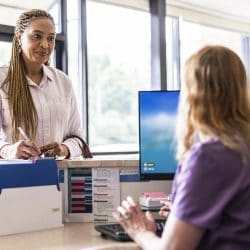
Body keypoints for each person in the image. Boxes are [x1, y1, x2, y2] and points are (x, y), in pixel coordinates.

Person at [113, 45, 250, 249]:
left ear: (193, 96)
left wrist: (140, 232)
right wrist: (183, 212)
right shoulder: (242, 146)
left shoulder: (209, 156)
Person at [0, 9, 92, 159]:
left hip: (58, 178)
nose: (45, 44)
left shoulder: (63, 82)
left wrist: (64, 149)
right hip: (14, 178)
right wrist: (10, 150)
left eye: (51, 38)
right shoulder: (2, 80)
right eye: (37, 36)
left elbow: (78, 138)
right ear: (18, 37)